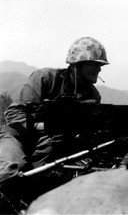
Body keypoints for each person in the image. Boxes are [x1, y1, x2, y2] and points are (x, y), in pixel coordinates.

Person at [0, 36, 109, 211]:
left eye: (100, 65)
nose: (98, 69)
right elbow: (13, 114)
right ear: (76, 64)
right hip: (17, 136)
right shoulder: (44, 78)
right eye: (94, 63)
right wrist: (45, 128)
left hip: (53, 143)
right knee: (10, 172)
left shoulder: (92, 96)